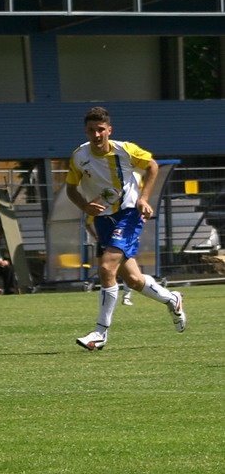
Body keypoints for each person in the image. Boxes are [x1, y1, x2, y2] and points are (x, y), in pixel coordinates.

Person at [65, 106, 186, 351]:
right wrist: (85, 206)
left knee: (107, 267)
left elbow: (151, 165)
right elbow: (70, 189)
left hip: (129, 214)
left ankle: (100, 333)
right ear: (85, 131)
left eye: (101, 129)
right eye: (91, 130)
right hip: (103, 219)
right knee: (132, 279)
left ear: (109, 130)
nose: (96, 134)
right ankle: (172, 299)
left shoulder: (125, 150)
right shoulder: (79, 156)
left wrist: (144, 198)